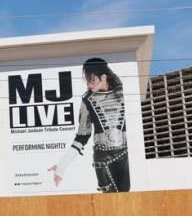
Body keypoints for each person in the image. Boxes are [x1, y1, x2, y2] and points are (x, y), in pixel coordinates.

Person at [47, 58, 130, 193]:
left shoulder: (124, 92)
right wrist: (62, 165)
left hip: (125, 155)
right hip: (103, 158)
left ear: (103, 77)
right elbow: (82, 135)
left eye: (92, 80)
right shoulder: (87, 100)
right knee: (110, 201)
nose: (88, 84)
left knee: (127, 197)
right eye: (86, 80)